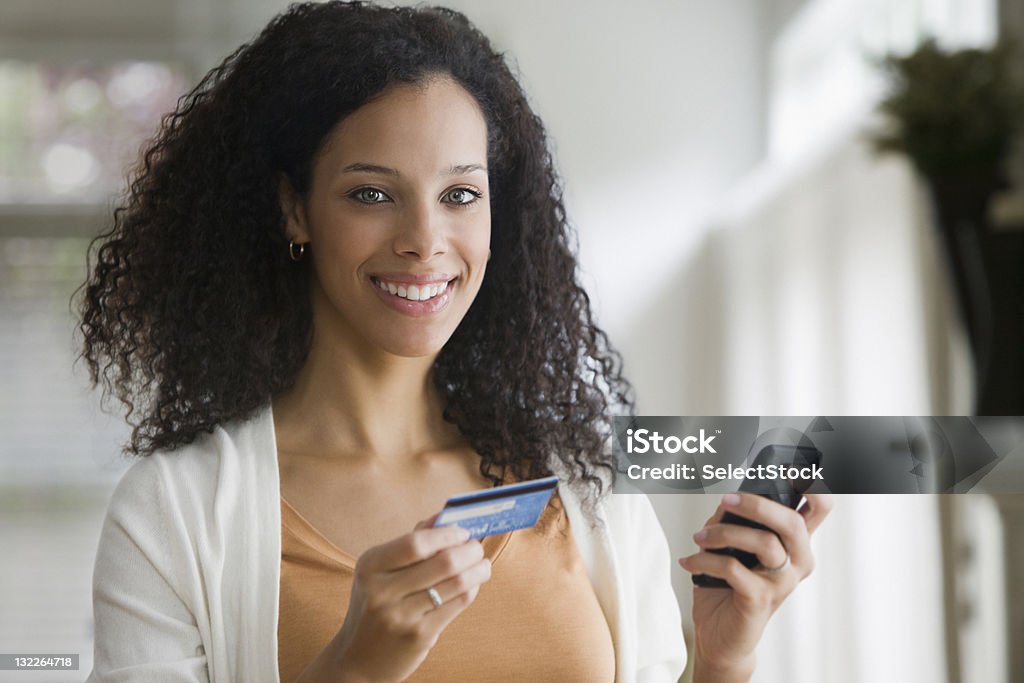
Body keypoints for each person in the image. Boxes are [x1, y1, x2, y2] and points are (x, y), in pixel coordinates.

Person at [78, 2, 833, 681]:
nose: (425, 241)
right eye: (371, 193)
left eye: (460, 195)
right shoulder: (169, 516)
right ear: (293, 210)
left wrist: (725, 658)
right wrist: (355, 668)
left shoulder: (585, 483)